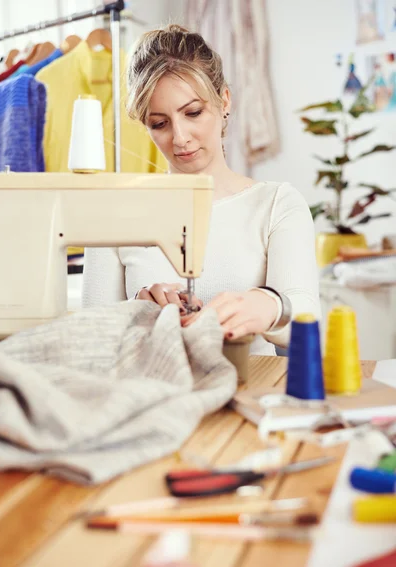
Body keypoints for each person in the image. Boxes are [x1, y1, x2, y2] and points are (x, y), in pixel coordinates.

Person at [82, 24, 320, 356]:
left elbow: (309, 321)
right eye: (159, 123)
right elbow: (91, 341)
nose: (179, 138)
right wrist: (136, 308)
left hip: (247, 393)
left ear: (224, 100)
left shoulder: (277, 205)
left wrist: (269, 307)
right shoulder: (112, 212)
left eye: (193, 113)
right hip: (152, 398)